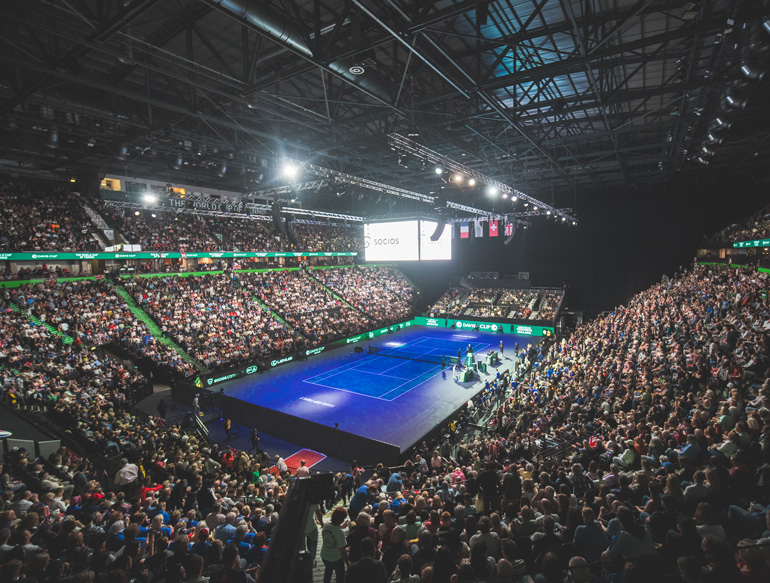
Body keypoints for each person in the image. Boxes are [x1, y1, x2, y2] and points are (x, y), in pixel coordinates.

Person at [321, 508, 349, 583]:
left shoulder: (326, 525)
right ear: (341, 519)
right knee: (340, 576)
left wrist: (341, 527)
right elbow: (342, 552)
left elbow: (333, 530)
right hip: (336, 558)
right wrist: (348, 563)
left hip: (325, 555)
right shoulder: (340, 533)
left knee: (328, 571)